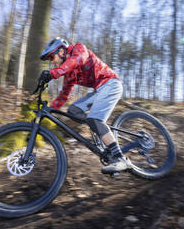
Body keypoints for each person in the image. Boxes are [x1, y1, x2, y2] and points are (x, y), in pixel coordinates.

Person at [39, 37, 131, 173]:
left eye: (52, 57)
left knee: (94, 119)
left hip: (111, 84)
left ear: (61, 51)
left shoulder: (78, 49)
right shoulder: (69, 74)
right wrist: (48, 110)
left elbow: (77, 60)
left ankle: (120, 159)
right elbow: (63, 95)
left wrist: (53, 74)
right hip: (98, 91)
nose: (52, 62)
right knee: (74, 110)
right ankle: (100, 130)